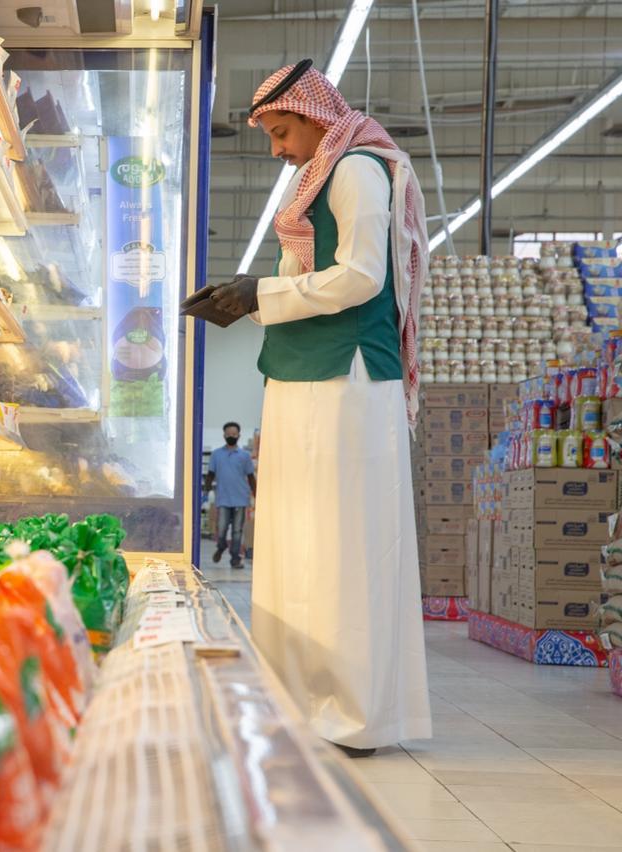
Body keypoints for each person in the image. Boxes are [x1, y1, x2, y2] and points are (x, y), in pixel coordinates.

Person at [182, 60, 432, 757]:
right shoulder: (315, 176)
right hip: (299, 378)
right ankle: (295, 701)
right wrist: (243, 301)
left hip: (347, 380)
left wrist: (258, 293)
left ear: (316, 115)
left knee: (344, 549)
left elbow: (361, 276)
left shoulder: (355, 168)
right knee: (296, 546)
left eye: (282, 130)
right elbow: (304, 279)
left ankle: (353, 714)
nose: (277, 149)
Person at [204, 422, 256, 569]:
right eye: (228, 434)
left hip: (241, 498)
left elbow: (251, 477)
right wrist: (206, 491)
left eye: (234, 434)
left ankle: (235, 558)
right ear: (224, 436)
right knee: (221, 528)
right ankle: (221, 547)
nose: (231, 436)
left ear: (238, 436)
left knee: (237, 531)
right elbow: (210, 475)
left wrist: (256, 494)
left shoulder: (245, 456)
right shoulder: (216, 454)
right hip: (223, 498)